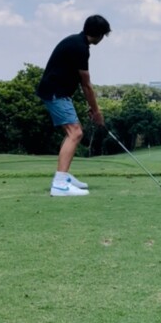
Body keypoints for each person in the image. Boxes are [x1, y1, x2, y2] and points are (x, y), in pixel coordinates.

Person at [37, 15, 111, 196]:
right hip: (56, 92)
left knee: (72, 132)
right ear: (99, 35)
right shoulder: (80, 48)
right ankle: (60, 183)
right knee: (75, 132)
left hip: (57, 91)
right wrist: (96, 112)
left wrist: (92, 107)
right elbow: (86, 84)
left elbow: (77, 80)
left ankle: (64, 176)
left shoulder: (77, 43)